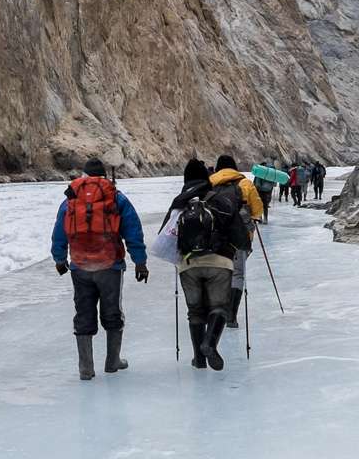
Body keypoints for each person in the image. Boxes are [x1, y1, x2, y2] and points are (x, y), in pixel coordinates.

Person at [52, 157, 148, 381]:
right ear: (104, 176)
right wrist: (140, 261)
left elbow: (59, 231)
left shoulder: (70, 198)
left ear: (84, 175)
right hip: (110, 265)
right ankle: (112, 361)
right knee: (112, 311)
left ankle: (86, 368)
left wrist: (59, 259)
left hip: (80, 265)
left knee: (83, 312)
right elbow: (133, 230)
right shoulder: (116, 197)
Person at [168, 158, 252, 371]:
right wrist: (240, 247)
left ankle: (199, 359)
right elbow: (240, 237)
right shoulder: (221, 200)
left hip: (188, 265)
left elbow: (166, 236)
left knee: (195, 312)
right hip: (219, 262)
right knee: (219, 307)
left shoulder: (180, 202)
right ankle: (210, 343)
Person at [208, 155, 263, 325]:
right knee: (237, 274)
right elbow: (257, 210)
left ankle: (215, 313)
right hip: (240, 237)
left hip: (215, 237)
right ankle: (231, 316)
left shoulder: (210, 182)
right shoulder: (245, 183)